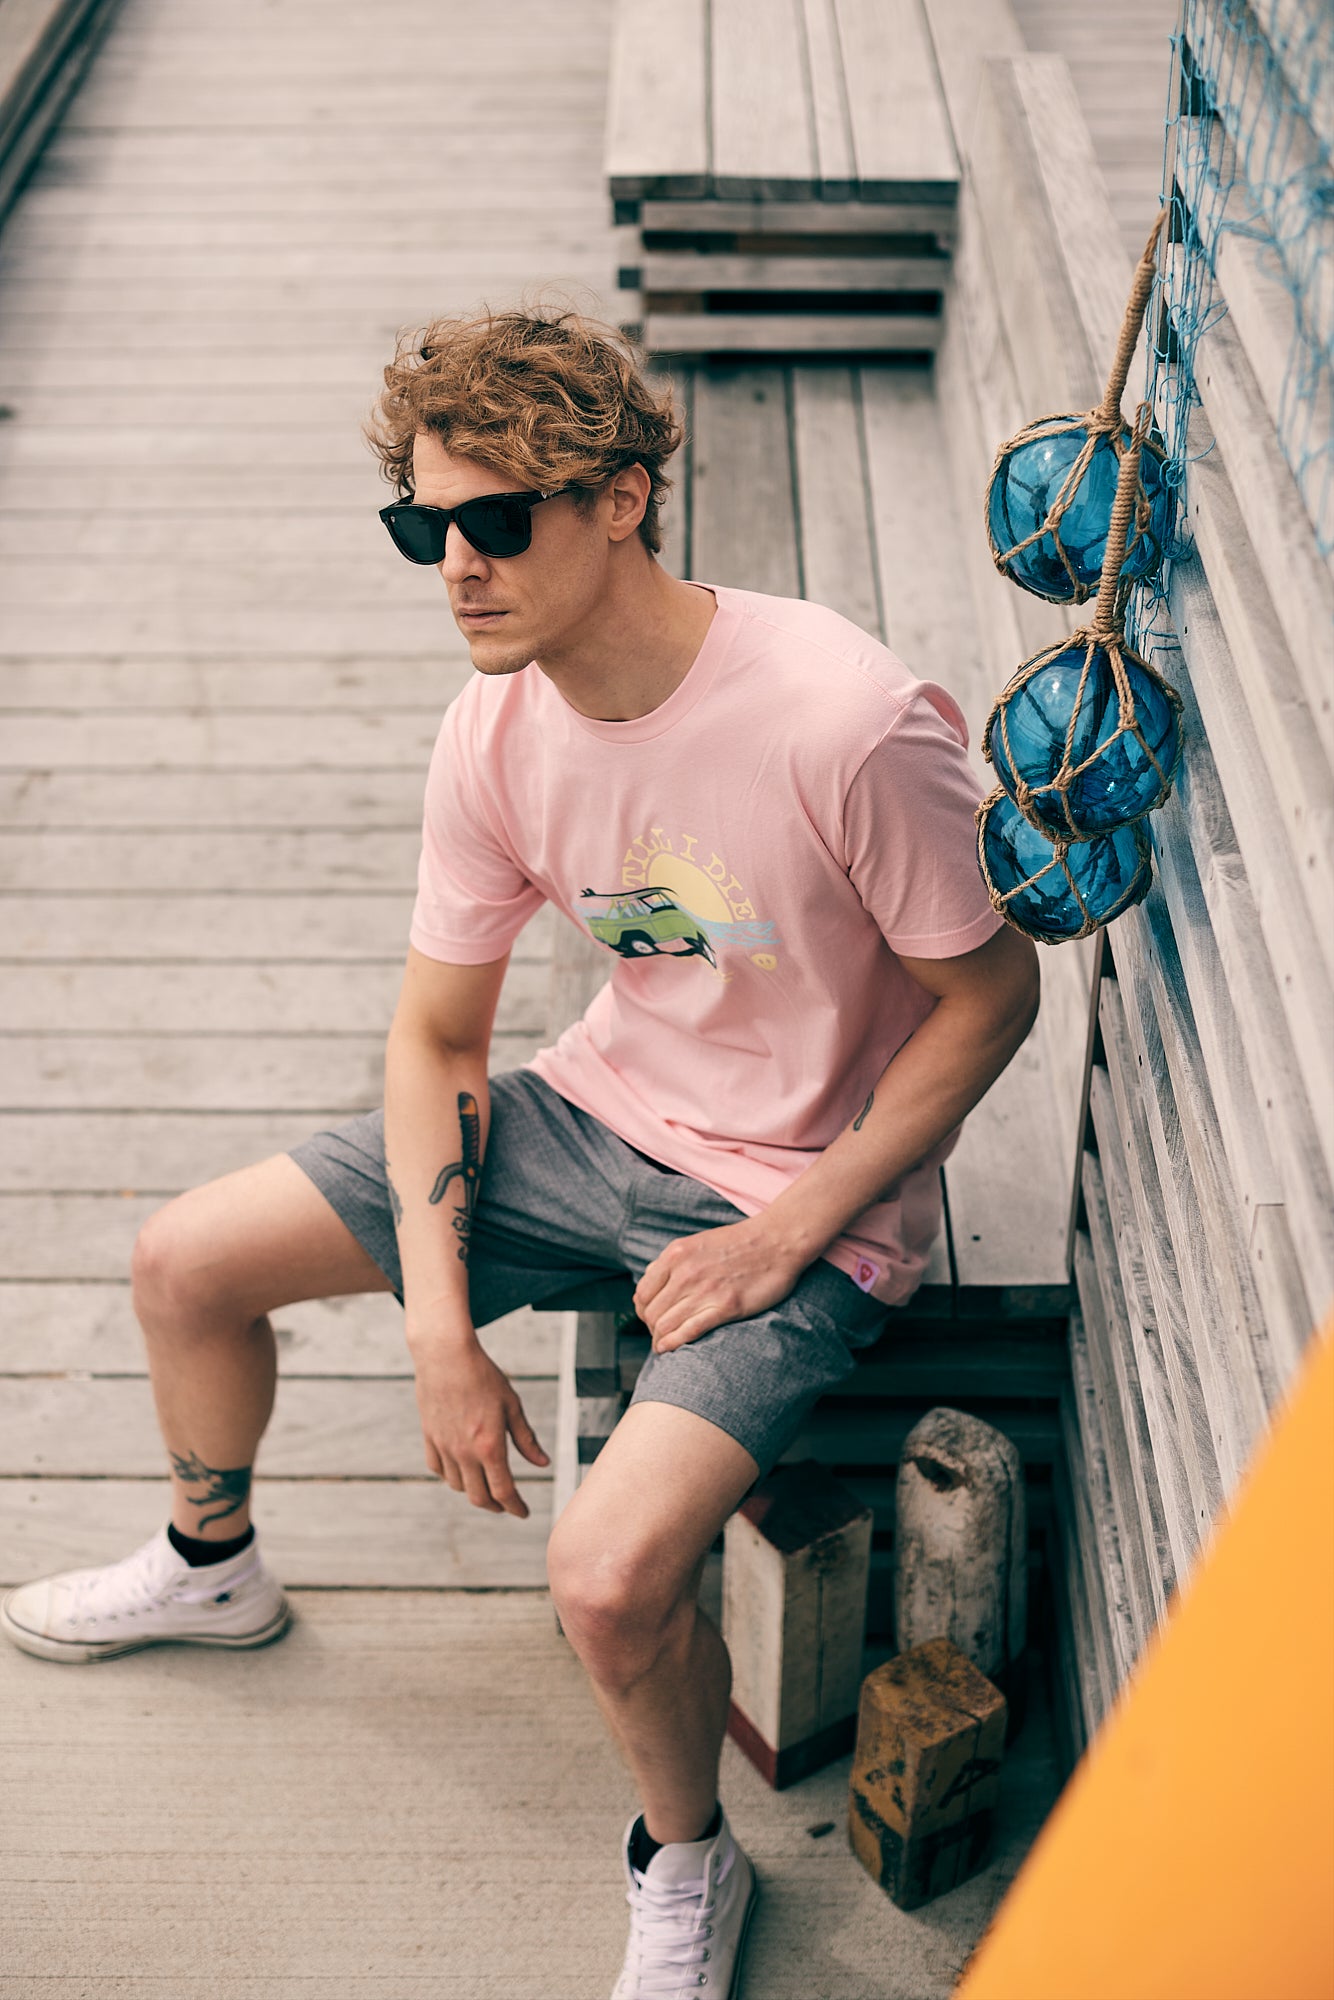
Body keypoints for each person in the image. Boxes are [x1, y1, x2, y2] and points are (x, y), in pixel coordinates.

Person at [1, 308, 1040, 1998]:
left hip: (804, 1190)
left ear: (623, 499)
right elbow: (436, 1044)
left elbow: (989, 1000)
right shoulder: (494, 731)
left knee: (609, 1574)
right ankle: (214, 1568)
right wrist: (437, 1331)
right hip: (588, 1120)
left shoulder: (840, 718)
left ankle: (685, 1864)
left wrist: (791, 1233)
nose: (454, 569)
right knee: (184, 1261)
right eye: (422, 528)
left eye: (495, 522)